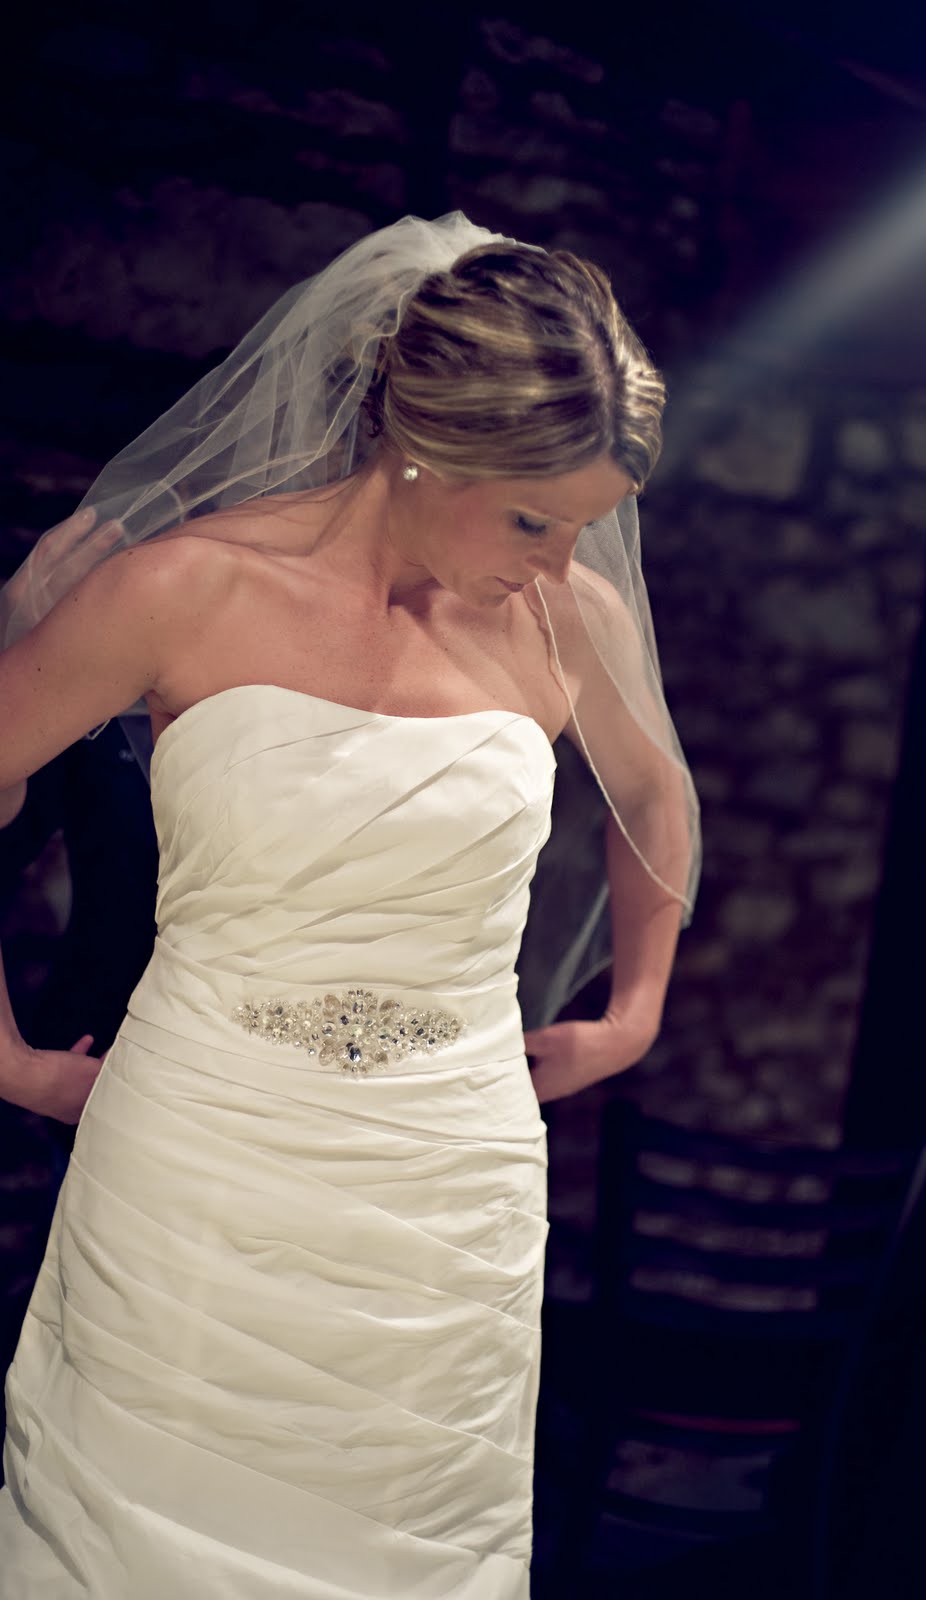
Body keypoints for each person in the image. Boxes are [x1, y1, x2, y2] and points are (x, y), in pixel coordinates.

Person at [0, 212, 698, 1597]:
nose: (556, 564)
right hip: (200, 1155)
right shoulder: (183, 590)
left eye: (583, 529)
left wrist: (633, 1016)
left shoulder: (566, 622)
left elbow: (656, 793)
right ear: (427, 444)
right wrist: (7, 1059)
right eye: (532, 520)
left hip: (450, 1182)